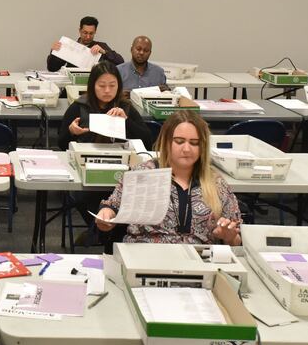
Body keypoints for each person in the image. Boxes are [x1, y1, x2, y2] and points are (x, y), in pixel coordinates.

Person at [96, 110, 242, 246]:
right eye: (179, 141)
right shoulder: (143, 174)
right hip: (147, 258)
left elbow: (238, 238)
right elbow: (111, 207)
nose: (186, 149)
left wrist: (230, 237)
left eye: (194, 143)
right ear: (166, 142)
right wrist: (106, 217)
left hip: (199, 262)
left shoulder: (216, 183)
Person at [58, 61, 152, 232]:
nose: (107, 91)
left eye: (112, 85)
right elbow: (61, 143)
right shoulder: (79, 106)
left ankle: (102, 234)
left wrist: (127, 121)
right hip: (87, 175)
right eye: (102, 85)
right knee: (86, 197)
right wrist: (71, 132)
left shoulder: (125, 107)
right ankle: (100, 232)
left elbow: (147, 140)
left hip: (121, 176)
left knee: (131, 200)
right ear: (93, 85)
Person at [47, 16, 124, 72]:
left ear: (95, 32)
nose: (88, 36)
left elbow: (120, 63)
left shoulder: (101, 46)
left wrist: (104, 52)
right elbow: (52, 68)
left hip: (94, 84)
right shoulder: (70, 47)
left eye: (91, 33)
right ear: (80, 30)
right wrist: (54, 52)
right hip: (73, 84)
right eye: (85, 33)